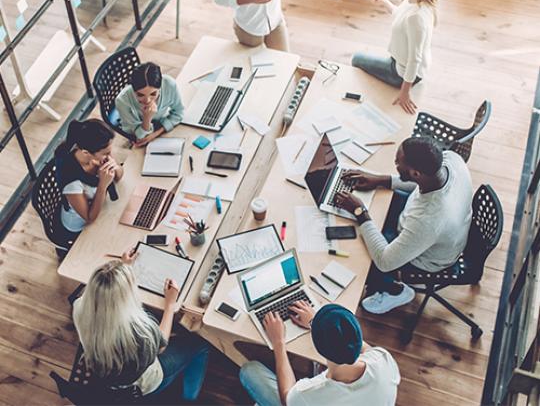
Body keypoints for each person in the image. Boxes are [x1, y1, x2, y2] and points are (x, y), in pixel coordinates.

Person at [334, 136, 473, 315]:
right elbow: (419, 186)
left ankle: (395, 290)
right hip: (426, 223)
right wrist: (380, 180)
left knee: (362, 257)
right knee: (376, 214)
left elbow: (385, 262)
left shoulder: (429, 220)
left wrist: (360, 211)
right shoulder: (450, 159)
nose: (395, 163)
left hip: (428, 258)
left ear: (415, 173)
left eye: (398, 163)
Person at [72, 249, 209, 399]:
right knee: (201, 344)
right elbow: (161, 345)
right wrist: (170, 304)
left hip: (105, 372)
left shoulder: (79, 306)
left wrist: (122, 267)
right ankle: (189, 397)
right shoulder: (138, 332)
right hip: (143, 384)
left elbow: (107, 294)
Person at [240, 303, 400, 405]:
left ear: (319, 347)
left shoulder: (311, 395)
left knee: (250, 370)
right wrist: (315, 322)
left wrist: (279, 343)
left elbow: (287, 398)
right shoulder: (383, 359)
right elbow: (355, 342)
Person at [352, 0, 442, 114]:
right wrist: (383, 1)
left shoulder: (416, 18)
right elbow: (400, 16)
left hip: (400, 73)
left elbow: (414, 60)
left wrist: (404, 92)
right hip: (400, 62)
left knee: (356, 59)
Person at [54, 119, 123, 245]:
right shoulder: (72, 181)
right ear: (86, 152)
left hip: (101, 207)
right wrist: (103, 185)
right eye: (106, 153)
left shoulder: (97, 154)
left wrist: (115, 167)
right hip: (80, 226)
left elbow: (119, 177)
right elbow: (89, 217)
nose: (109, 155)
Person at [115, 62, 183, 147]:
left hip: (160, 126)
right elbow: (140, 137)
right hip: (138, 133)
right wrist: (147, 118)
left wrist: (156, 134)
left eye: (153, 94)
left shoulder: (169, 84)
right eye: (140, 95)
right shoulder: (122, 101)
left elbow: (179, 112)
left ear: (160, 87)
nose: (147, 100)